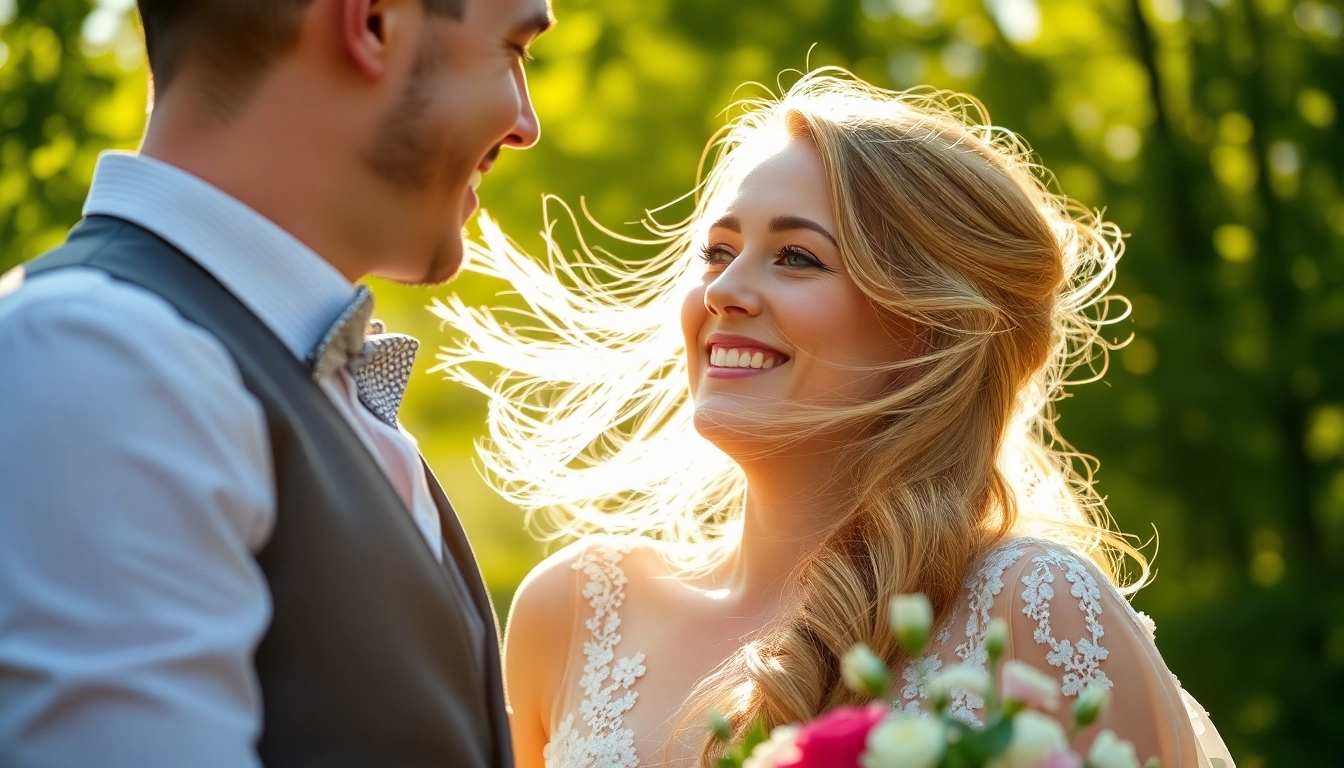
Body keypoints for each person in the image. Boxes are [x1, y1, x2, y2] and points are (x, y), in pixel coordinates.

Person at [432, 70, 1237, 767]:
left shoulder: (1033, 607)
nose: (724, 291)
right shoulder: (572, 610)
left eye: (797, 258)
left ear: (929, 327)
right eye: (718, 252)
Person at [0, 0, 552, 765]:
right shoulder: (96, 354)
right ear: (374, 22)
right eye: (514, 51)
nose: (526, 125)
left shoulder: (292, 373)